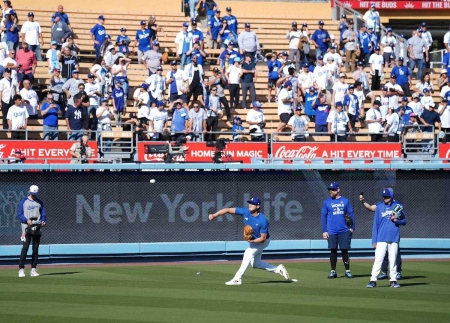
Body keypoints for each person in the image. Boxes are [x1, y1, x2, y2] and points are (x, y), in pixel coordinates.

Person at [208, 197, 291, 285]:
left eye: (253, 204)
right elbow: (228, 210)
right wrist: (214, 215)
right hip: (255, 241)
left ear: (258, 206)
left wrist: (252, 241)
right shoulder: (245, 212)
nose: (250, 205)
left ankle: (237, 278)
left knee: (248, 253)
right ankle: (277, 269)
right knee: (255, 264)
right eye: (250, 203)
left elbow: (263, 238)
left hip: (263, 241)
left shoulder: (263, 220)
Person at [359, 189, 404, 280]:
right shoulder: (380, 206)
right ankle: (383, 273)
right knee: (381, 257)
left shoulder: (398, 205)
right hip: (382, 237)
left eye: (386, 196)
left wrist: (397, 220)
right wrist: (363, 201)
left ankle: (397, 274)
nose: (384, 198)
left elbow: (404, 220)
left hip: (393, 236)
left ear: (391, 196)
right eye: (383, 196)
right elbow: (371, 208)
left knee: (395, 256)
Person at [321, 182, 355, 279]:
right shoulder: (327, 202)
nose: (331, 191)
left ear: (338, 190)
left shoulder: (345, 201)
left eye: (333, 189)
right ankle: (333, 271)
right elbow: (323, 217)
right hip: (331, 230)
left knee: (345, 250)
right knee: (333, 251)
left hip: (344, 230)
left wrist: (352, 228)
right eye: (330, 190)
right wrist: (324, 230)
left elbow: (351, 214)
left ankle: (347, 271)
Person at [17, 185, 46, 278]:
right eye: (32, 194)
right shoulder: (24, 201)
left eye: (35, 194)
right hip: (26, 228)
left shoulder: (40, 202)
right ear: (29, 192)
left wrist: (43, 221)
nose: (34, 196)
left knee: (35, 249)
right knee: (25, 248)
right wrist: (26, 220)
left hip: (36, 228)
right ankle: (21, 269)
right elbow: (19, 214)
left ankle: (33, 269)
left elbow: (43, 214)